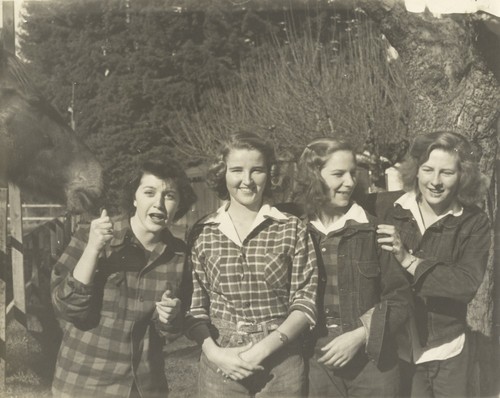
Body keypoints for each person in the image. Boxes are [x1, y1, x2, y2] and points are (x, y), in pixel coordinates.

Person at [184, 131, 318, 397]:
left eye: (256, 170)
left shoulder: (291, 228)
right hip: (221, 362)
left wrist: (263, 349)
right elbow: (195, 306)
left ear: (270, 174)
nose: (247, 181)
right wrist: (215, 354)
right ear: (223, 173)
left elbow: (306, 301)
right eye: (236, 170)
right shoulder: (203, 232)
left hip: (282, 361)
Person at [51, 159, 197, 398]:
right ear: (134, 198)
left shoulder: (180, 256)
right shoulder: (95, 235)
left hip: (143, 387)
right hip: (83, 383)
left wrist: (170, 318)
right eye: (149, 192)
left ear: (179, 204)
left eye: (169, 196)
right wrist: (93, 249)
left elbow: (170, 332)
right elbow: (66, 307)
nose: (159, 204)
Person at [293, 137, 411, 397]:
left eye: (352, 174)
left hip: (373, 360)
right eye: (338, 174)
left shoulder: (376, 231)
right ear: (313, 177)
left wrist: (360, 335)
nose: (349, 182)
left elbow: (401, 297)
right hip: (316, 360)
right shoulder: (297, 232)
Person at [376, 131, 490, 397]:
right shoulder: (388, 208)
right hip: (398, 349)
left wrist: (409, 260)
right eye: (428, 169)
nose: (435, 182)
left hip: (447, 351)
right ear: (416, 171)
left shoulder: (473, 221)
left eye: (447, 173)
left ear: (463, 176)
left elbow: (465, 284)